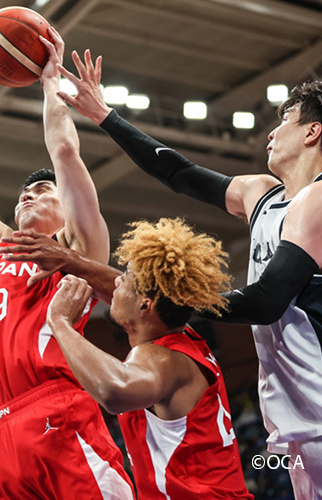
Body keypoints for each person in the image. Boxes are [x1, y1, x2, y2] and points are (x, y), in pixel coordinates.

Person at [56, 51, 322, 498]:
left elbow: (266, 301)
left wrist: (172, 297)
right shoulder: (261, 194)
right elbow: (178, 172)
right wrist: (104, 116)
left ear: (313, 132)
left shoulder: (317, 198)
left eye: (286, 121)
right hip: (294, 420)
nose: (272, 132)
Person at [0, 18, 134, 499]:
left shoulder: (78, 245)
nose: (27, 195)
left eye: (42, 190)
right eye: (23, 194)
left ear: (65, 205)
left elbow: (65, 151)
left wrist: (50, 83)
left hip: (58, 412)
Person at [41, 217, 253, 499]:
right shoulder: (181, 337)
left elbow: (114, 391)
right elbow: (127, 290)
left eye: (125, 278)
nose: (116, 280)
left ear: (144, 305)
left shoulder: (160, 358)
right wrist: (68, 260)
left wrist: (60, 323)